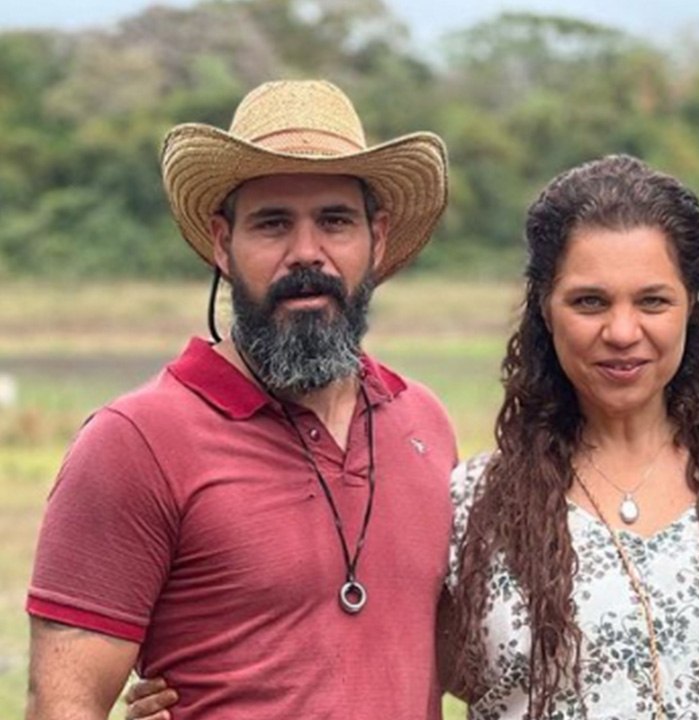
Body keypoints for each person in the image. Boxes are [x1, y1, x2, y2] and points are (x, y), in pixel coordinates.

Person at [25, 79, 456, 719]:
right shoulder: (135, 442)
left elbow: (461, 662)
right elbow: (63, 705)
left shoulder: (424, 423)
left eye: (335, 221)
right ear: (223, 244)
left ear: (379, 239)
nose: (306, 253)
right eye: (273, 223)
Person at [441, 154, 699, 718]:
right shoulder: (473, 502)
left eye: (652, 301)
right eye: (590, 302)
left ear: (691, 307)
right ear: (545, 309)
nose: (621, 332)